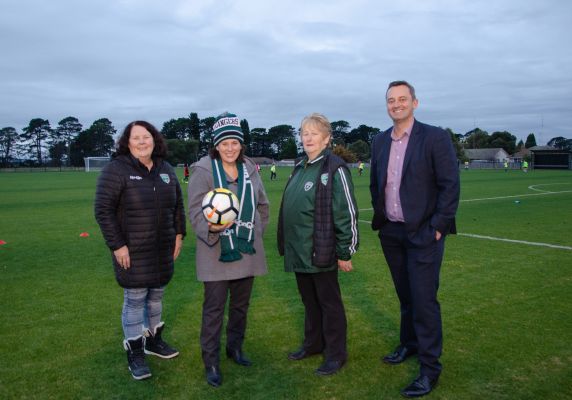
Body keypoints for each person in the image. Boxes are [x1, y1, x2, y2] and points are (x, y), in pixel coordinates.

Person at [370, 81, 460, 397]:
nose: (396, 104)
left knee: (424, 300)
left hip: (424, 233)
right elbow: (375, 184)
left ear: (415, 103)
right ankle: (408, 345)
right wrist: (381, 218)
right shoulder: (379, 141)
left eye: (402, 99)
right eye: (391, 100)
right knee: (406, 296)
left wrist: (438, 226)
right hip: (392, 232)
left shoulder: (435, 137)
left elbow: (450, 185)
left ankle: (429, 369)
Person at [94, 121, 186, 380]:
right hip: (132, 250)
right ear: (127, 142)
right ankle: (135, 352)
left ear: (154, 140)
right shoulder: (116, 170)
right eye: (137, 138)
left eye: (147, 137)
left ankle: (154, 341)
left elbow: (178, 205)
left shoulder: (166, 169)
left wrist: (179, 234)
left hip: (162, 249)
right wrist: (118, 245)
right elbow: (103, 210)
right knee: (135, 301)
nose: (142, 142)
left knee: (156, 297)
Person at [188, 112, 269, 388]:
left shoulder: (249, 168)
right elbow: (195, 212)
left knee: (240, 306)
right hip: (216, 253)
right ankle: (210, 361)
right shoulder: (203, 170)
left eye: (235, 142)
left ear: (241, 144)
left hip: (246, 250)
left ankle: (235, 348)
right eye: (225, 143)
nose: (230, 148)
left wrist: (254, 232)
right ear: (216, 145)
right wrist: (212, 230)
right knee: (213, 309)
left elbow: (263, 205)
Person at [278, 113, 359, 376]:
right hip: (299, 250)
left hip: (321, 250)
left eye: (314, 133)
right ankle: (313, 344)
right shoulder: (301, 165)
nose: (308, 138)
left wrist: (345, 251)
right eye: (304, 133)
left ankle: (336, 354)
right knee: (309, 302)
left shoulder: (334, 168)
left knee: (329, 303)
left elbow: (346, 211)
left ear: (326, 138)